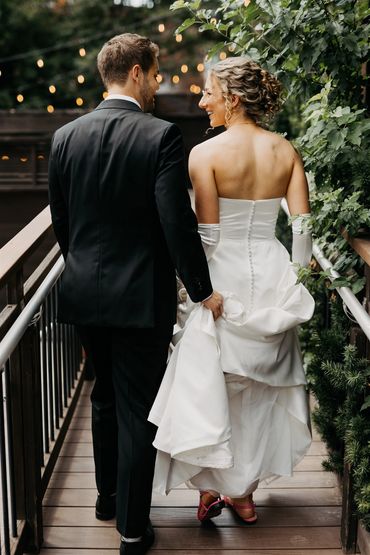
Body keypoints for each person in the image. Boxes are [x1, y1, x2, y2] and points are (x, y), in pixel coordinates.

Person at [48, 33, 223, 555]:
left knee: (102, 394)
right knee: (136, 410)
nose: (157, 84)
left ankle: (106, 498)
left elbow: (63, 222)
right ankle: (131, 529)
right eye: (155, 73)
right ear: (139, 72)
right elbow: (176, 221)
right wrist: (201, 289)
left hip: (84, 292)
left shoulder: (65, 137)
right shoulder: (162, 136)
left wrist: (83, 267)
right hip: (141, 297)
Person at [149, 57, 315, 525]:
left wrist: (193, 288)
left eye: (208, 93)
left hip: (222, 279)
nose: (203, 102)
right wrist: (295, 285)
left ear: (233, 99)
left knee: (213, 387)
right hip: (272, 271)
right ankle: (243, 493)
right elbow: (301, 227)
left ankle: (211, 490)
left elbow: (208, 236)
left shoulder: (205, 155)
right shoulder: (286, 150)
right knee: (262, 391)